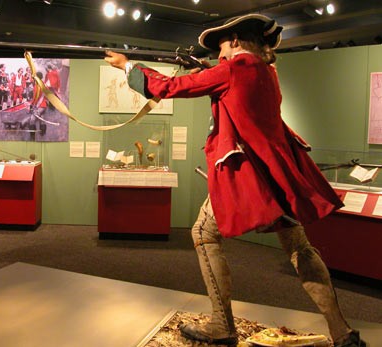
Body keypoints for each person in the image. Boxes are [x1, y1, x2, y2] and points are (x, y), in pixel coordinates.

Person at [105, 14, 366, 347]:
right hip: (274, 174)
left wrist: (128, 66)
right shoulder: (266, 72)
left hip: (250, 176)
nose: (220, 55)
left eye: (223, 46)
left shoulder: (231, 70)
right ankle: (342, 332)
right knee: (299, 247)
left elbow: (167, 87)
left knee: (201, 231)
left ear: (236, 41)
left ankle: (222, 325)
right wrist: (206, 73)